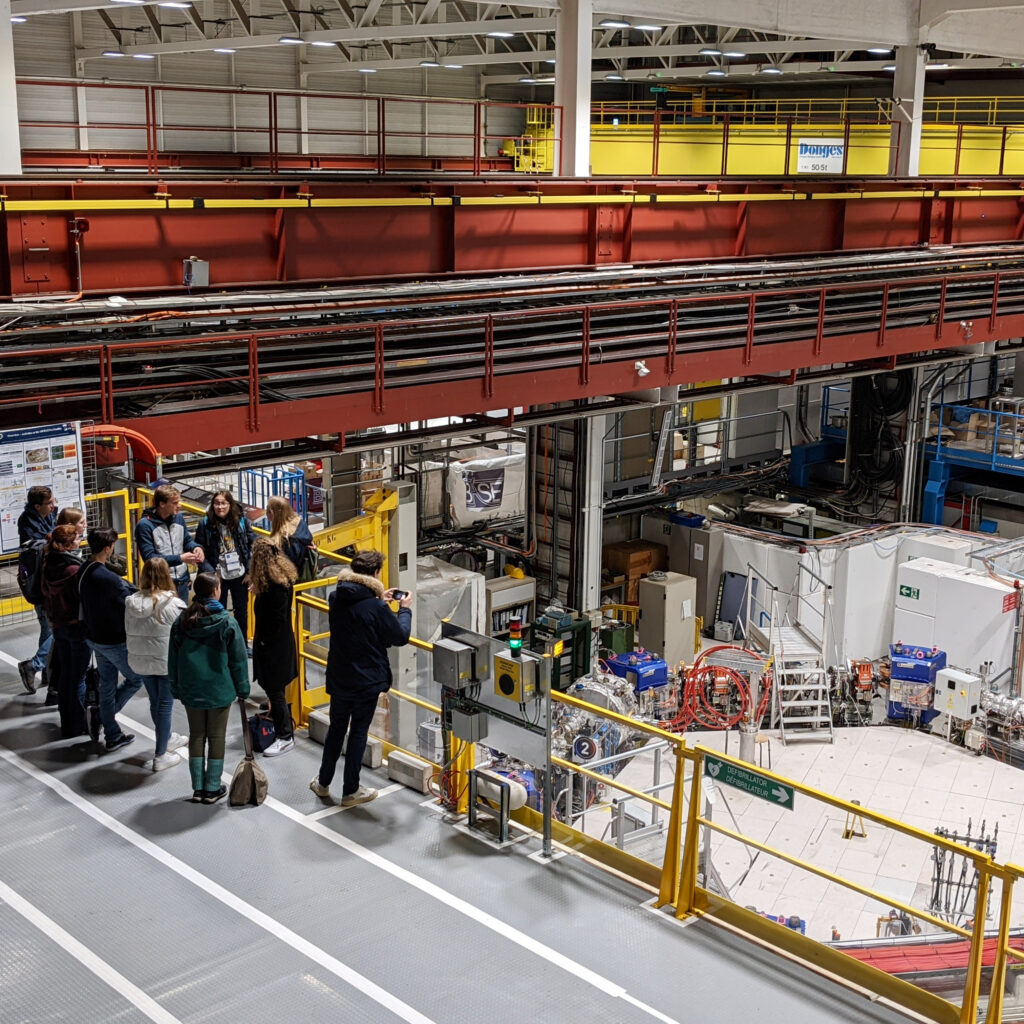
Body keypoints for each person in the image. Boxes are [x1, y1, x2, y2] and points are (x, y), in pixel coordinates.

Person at [311, 549, 411, 806]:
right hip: (365, 680)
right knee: (358, 733)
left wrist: (380, 600)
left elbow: (359, 615)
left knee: (336, 729)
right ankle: (350, 791)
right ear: (376, 573)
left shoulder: (336, 596)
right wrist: (404, 610)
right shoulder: (375, 607)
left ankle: (322, 783)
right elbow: (399, 636)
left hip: (339, 675)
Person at [168, 572, 250, 804]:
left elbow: (172, 658)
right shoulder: (226, 621)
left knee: (196, 736)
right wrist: (242, 689)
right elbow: (238, 660)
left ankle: (197, 787)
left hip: (191, 688)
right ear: (216, 591)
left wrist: (175, 686)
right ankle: (212, 787)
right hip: (219, 689)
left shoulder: (182, 621)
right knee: (216, 737)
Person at [78, 527, 143, 752]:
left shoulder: (85, 569)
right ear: (108, 548)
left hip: (94, 637)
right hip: (113, 640)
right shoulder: (108, 578)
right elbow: (130, 601)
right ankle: (105, 718)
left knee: (107, 683)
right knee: (136, 679)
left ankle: (113, 734)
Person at [125, 558, 188, 771]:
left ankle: (167, 737)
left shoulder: (131, 602)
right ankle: (161, 755)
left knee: (155, 701)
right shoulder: (174, 604)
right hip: (165, 663)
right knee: (164, 705)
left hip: (139, 660)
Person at [248, 539, 297, 758]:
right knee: (276, 691)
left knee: (274, 690)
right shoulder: (281, 579)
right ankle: (282, 726)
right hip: (280, 644)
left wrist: (263, 644)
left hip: (272, 647)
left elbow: (274, 620)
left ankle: (285, 737)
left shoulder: (274, 588)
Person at [40, 524, 89, 738]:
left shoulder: (48, 563)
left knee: (67, 674)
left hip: (58, 625)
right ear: (69, 544)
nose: (80, 540)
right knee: (78, 677)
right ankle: (78, 724)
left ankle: (66, 721)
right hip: (75, 626)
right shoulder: (74, 570)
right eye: (77, 538)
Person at [196, 490, 254, 641]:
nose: (219, 507)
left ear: (230, 504)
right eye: (216, 503)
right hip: (218, 577)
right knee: (216, 612)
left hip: (240, 575)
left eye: (223, 503)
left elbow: (251, 545)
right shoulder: (205, 524)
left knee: (241, 611)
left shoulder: (241, 521)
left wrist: (249, 571)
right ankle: (220, 642)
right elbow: (199, 550)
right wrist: (211, 574)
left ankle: (241, 643)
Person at [17, 485, 57, 694]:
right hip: (40, 585)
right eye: (49, 503)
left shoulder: (50, 516)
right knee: (55, 630)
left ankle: (47, 671)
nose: (54, 505)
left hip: (47, 583)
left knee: (47, 629)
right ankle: (34, 665)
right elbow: (46, 543)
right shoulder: (27, 522)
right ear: (37, 506)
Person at [135, 485, 205, 603]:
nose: (180, 506)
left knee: (181, 619)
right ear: (162, 504)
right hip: (160, 585)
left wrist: (196, 548)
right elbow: (150, 558)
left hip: (182, 581)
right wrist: (180, 558)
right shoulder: (144, 525)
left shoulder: (178, 518)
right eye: (175, 503)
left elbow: (186, 540)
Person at [266, 495, 314, 578]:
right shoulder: (300, 523)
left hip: (288, 580)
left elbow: (285, 565)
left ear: (272, 513)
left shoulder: (283, 538)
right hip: (303, 575)